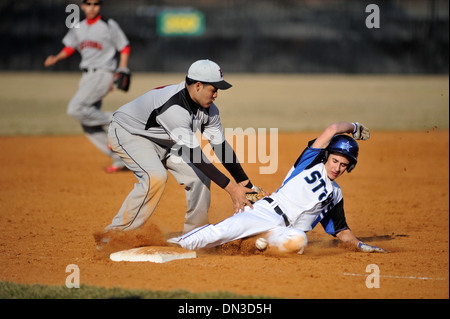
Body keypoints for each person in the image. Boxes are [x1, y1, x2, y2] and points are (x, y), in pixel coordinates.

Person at [167, 122, 387, 254]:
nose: (337, 168)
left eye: (344, 165)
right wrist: (354, 127)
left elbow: (341, 231)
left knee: (300, 240)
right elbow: (332, 129)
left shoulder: (335, 195)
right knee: (220, 232)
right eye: (335, 161)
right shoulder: (310, 163)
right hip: (266, 212)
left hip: (284, 229)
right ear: (327, 157)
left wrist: (361, 245)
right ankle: (176, 245)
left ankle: (255, 243)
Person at [100, 59, 257, 244]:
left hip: (167, 138)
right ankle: (114, 235)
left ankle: (196, 236)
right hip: (130, 133)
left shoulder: (210, 109)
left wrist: (247, 186)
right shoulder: (174, 108)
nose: (216, 95)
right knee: (155, 177)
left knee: (200, 176)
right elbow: (195, 155)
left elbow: (221, 147)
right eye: (213, 89)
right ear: (198, 86)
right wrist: (232, 190)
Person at [44, 0, 130, 173]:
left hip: (103, 73)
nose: (92, 7)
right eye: (88, 3)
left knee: (75, 109)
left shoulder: (108, 25)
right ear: (82, 6)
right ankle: (120, 158)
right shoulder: (78, 26)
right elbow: (70, 47)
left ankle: (117, 120)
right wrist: (56, 58)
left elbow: (124, 46)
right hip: (86, 76)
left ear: (101, 6)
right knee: (88, 124)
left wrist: (122, 69)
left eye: (96, 3)